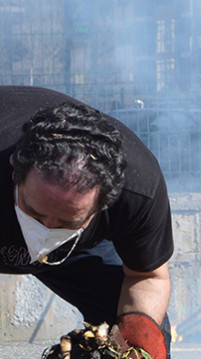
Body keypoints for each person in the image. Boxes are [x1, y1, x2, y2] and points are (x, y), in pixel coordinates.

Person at [0, 86, 174, 359]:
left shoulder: (138, 191)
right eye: (34, 212)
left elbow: (146, 276)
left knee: (134, 332)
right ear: (14, 169)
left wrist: (135, 342)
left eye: (67, 220)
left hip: (78, 249)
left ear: (107, 200)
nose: (46, 230)